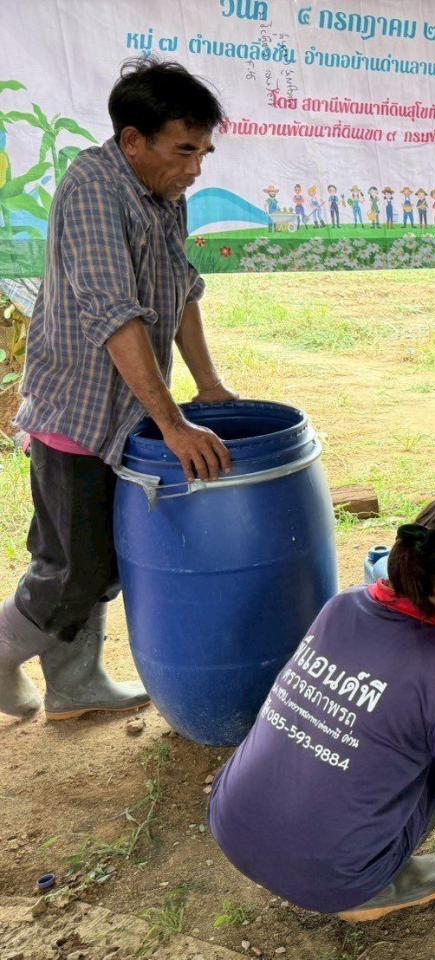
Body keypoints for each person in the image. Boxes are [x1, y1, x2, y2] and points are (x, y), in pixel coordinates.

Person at [0, 59, 235, 721]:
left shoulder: (165, 195)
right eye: (183, 150)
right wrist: (173, 424)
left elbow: (180, 288)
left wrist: (209, 383)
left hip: (124, 409)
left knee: (91, 559)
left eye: (203, 152)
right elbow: (114, 315)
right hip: (78, 412)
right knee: (76, 570)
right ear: (134, 140)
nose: (194, 168)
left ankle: (74, 687)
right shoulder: (93, 190)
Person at [210, 498, 435, 922]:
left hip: (232, 822)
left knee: (420, 731)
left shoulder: (341, 606)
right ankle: (370, 889)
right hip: (327, 876)